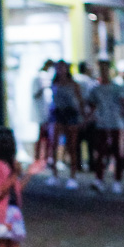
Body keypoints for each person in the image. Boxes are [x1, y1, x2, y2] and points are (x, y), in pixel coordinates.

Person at [87, 59, 124, 193]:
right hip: (101, 124)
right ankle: (99, 179)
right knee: (100, 152)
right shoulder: (95, 89)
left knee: (117, 153)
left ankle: (117, 181)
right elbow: (91, 105)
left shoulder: (117, 87)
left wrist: (122, 115)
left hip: (116, 124)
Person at [50, 61, 85, 189]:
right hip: (58, 114)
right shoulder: (54, 83)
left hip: (71, 114)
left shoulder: (73, 84)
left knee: (72, 145)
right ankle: (54, 175)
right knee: (53, 144)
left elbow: (80, 101)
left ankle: (73, 176)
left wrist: (83, 117)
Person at [32, 60, 55, 174]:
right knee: (42, 137)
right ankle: (39, 160)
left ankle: (44, 159)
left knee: (46, 137)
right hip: (42, 113)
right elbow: (35, 94)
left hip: (46, 112)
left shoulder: (42, 77)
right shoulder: (38, 78)